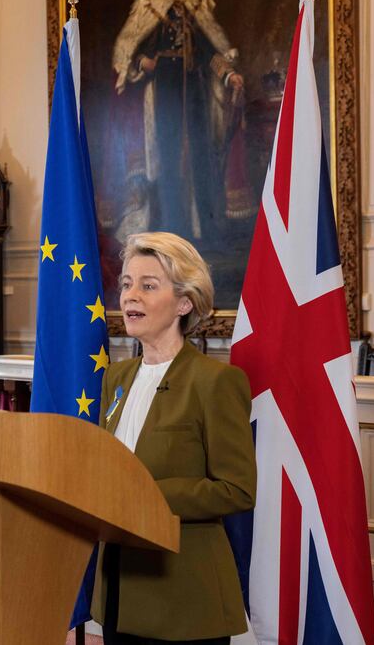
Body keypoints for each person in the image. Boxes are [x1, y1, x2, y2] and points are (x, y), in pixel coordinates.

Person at [92, 232, 256, 643]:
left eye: (149, 286)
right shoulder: (117, 378)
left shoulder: (215, 382)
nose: (131, 296)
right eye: (127, 284)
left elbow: (236, 489)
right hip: (118, 590)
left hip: (184, 599)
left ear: (184, 303)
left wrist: (144, 497)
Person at [111, 0, 245, 244]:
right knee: (168, 159)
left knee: (201, 156)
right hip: (163, 91)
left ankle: (207, 233)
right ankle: (174, 230)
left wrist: (229, 74)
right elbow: (126, 50)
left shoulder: (196, 1)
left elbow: (211, 50)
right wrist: (141, 62)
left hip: (196, 91)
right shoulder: (149, 5)